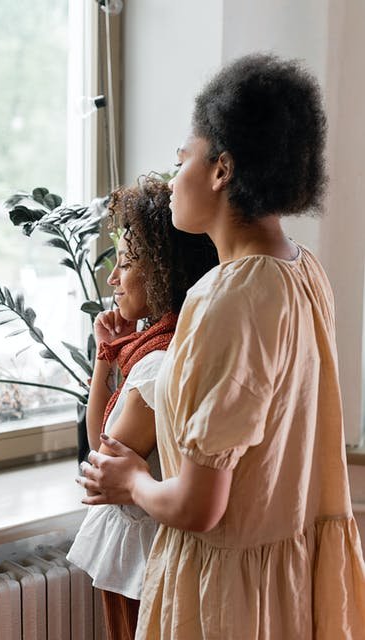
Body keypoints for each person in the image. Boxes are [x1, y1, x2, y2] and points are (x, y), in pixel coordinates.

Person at [79, 54, 365, 639]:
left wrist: (131, 480)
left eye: (183, 157)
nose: (175, 173)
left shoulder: (227, 296)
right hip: (285, 590)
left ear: (222, 170)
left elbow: (199, 507)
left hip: (226, 604)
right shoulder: (303, 272)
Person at [67, 175, 218, 640]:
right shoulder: (160, 347)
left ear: (163, 271)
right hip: (137, 546)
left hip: (138, 554)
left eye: (127, 262)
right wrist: (105, 356)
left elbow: (101, 450)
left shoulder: (157, 364)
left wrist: (106, 363)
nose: (112, 277)